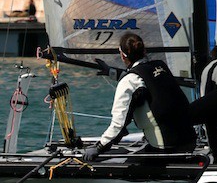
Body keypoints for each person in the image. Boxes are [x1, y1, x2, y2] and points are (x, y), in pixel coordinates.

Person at [82, 30, 196, 164]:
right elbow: (144, 81)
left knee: (123, 163)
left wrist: (99, 147)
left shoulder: (129, 81)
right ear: (144, 51)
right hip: (190, 143)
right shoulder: (161, 66)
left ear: (123, 56)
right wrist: (112, 73)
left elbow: (119, 124)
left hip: (165, 150)